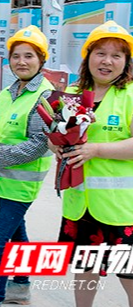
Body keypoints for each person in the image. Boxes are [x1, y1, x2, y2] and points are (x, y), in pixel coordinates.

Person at [0, 25, 53, 307]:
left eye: (29, 56)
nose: (22, 61)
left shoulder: (45, 96)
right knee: (18, 232)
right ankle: (22, 285)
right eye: (16, 56)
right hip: (4, 180)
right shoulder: (8, 92)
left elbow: (39, 144)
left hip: (23, 184)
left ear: (41, 60)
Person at [56, 21, 133, 307]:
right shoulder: (73, 93)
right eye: (100, 53)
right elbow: (60, 136)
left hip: (121, 211)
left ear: (125, 63)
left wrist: (97, 149)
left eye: (117, 55)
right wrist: (58, 146)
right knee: (85, 270)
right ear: (87, 56)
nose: (107, 61)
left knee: (129, 274)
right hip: (81, 205)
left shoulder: (130, 95)